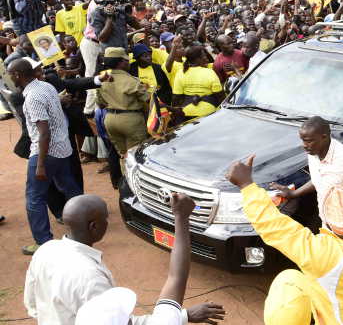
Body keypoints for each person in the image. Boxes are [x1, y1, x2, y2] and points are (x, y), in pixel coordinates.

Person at [225, 119, 343, 325]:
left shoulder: (325, 256)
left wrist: (247, 186)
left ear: (329, 225)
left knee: (291, 283)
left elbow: (277, 229)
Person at [24, 194, 225, 324]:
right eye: (105, 218)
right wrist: (181, 218)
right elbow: (175, 279)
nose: (108, 222)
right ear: (94, 226)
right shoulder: (90, 278)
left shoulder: (46, 250)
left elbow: (33, 305)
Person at [8, 58, 83, 255]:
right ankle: (85, 225)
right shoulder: (46, 86)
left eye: (10, 73)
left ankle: (44, 242)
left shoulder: (32, 97)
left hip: (46, 152)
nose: (8, 77)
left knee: (34, 198)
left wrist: (40, 164)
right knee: (69, 187)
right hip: (63, 148)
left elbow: (43, 132)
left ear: (17, 75)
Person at [269, 116, 343, 229]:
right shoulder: (313, 153)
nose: (304, 145)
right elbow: (320, 180)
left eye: (308, 141)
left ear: (324, 137)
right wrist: (294, 194)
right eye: (302, 140)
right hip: (328, 227)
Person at [96, 47, 149, 157]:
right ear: (121, 62)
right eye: (126, 60)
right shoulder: (132, 81)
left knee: (123, 155)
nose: (128, 62)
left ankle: (124, 173)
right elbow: (147, 100)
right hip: (130, 120)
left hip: (110, 120)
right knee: (136, 155)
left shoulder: (102, 78)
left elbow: (100, 103)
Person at [171, 45, 223, 120]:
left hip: (186, 113)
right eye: (204, 56)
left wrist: (175, 114)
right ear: (198, 59)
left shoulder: (180, 73)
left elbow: (176, 97)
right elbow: (220, 96)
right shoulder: (209, 72)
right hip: (209, 113)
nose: (206, 59)